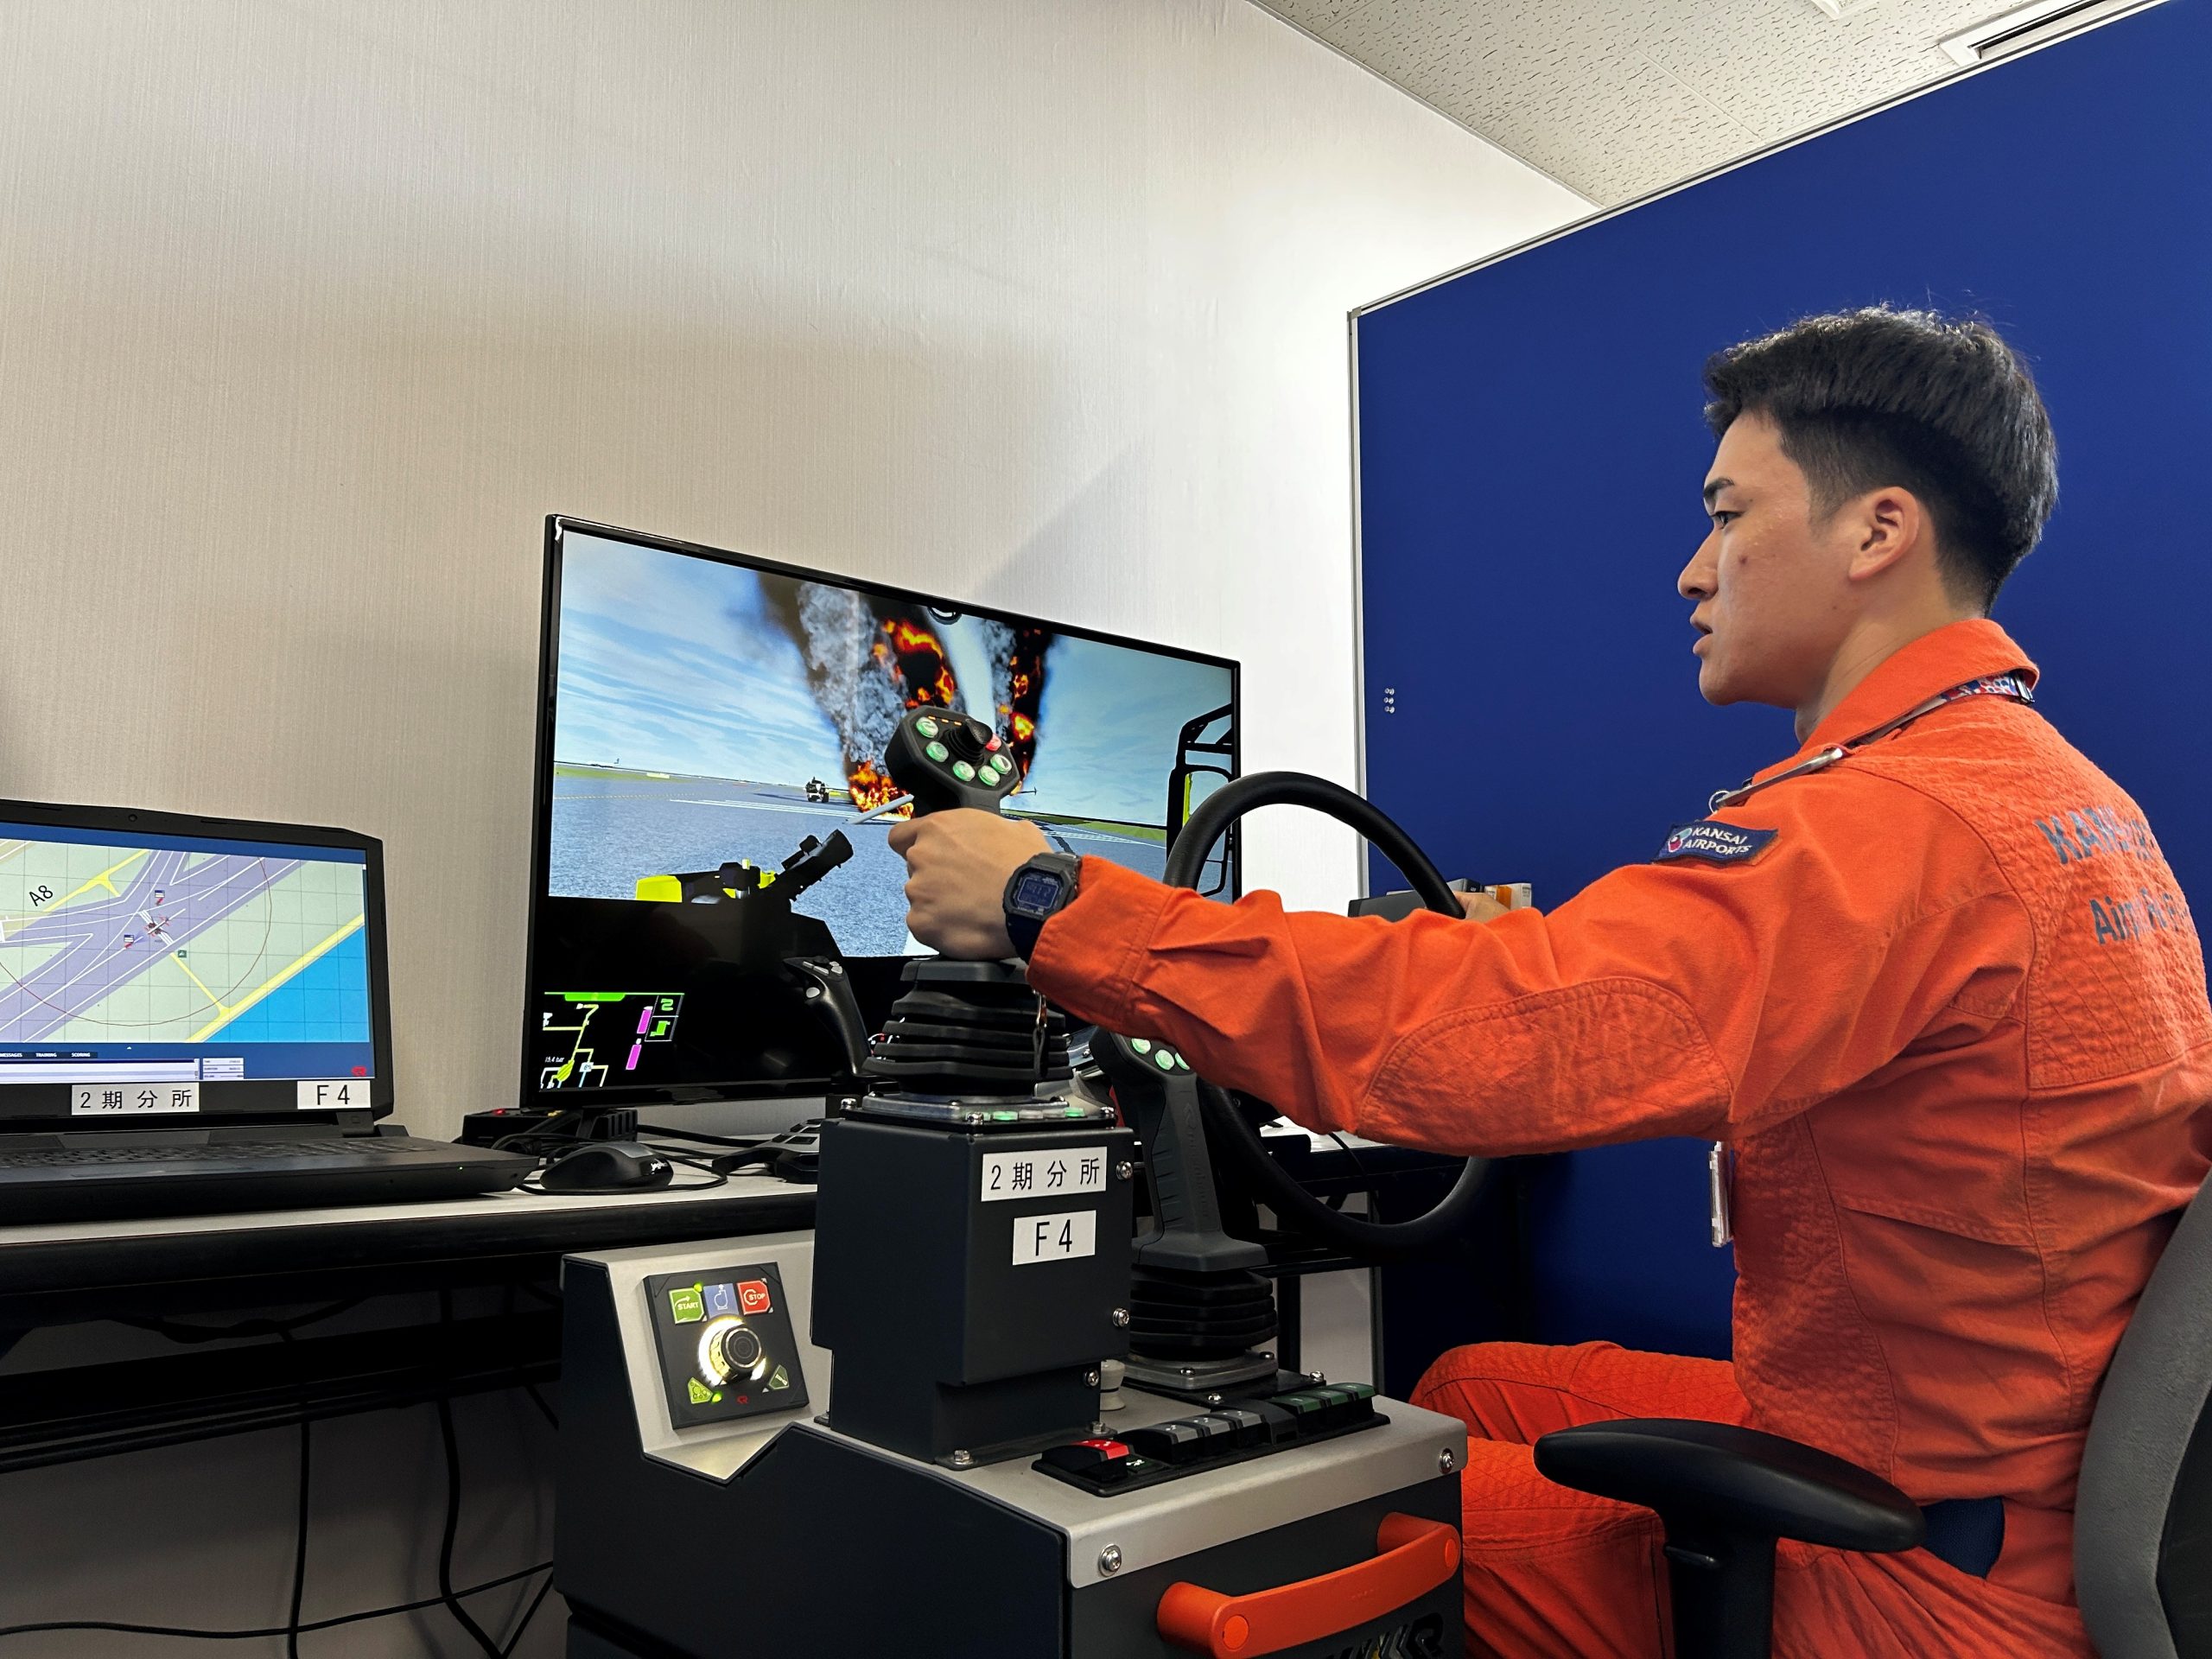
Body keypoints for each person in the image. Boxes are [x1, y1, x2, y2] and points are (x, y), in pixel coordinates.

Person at [888, 307, 2212, 1657]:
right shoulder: (2055, 795)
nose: (1693, 572)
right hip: (1994, 1478)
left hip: (1913, 1578)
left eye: (1727, 514)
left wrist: (1054, 903)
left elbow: (1516, 1040)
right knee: (1464, 1381)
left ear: (1876, 534)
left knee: (1295, 1516)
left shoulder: (1894, 825)